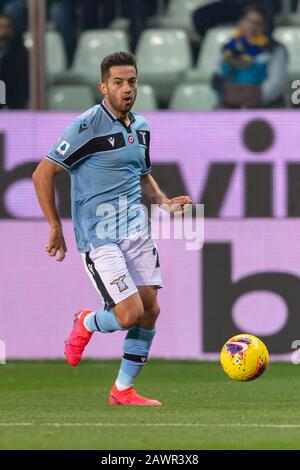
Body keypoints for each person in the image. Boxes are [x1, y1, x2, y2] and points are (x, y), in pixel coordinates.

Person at [32, 51, 191, 406]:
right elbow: (42, 172)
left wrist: (163, 202)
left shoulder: (143, 127)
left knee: (150, 310)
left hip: (136, 231)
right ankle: (87, 321)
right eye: (118, 82)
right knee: (128, 314)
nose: (127, 89)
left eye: (132, 81)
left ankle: (122, 390)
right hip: (99, 237)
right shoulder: (86, 126)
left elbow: (142, 174)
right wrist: (55, 226)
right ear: (104, 86)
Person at [212, 4, 288, 108]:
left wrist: (253, 98)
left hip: (263, 107)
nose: (252, 26)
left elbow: (276, 83)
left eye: (258, 23)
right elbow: (218, 76)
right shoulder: (228, 48)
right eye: (249, 21)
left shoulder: (274, 49)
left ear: (264, 26)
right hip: (230, 105)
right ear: (241, 21)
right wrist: (226, 95)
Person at [0, 13, 28, 109]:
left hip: (14, 110)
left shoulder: (22, 58)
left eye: (8, 27)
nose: (4, 32)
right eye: (1, 27)